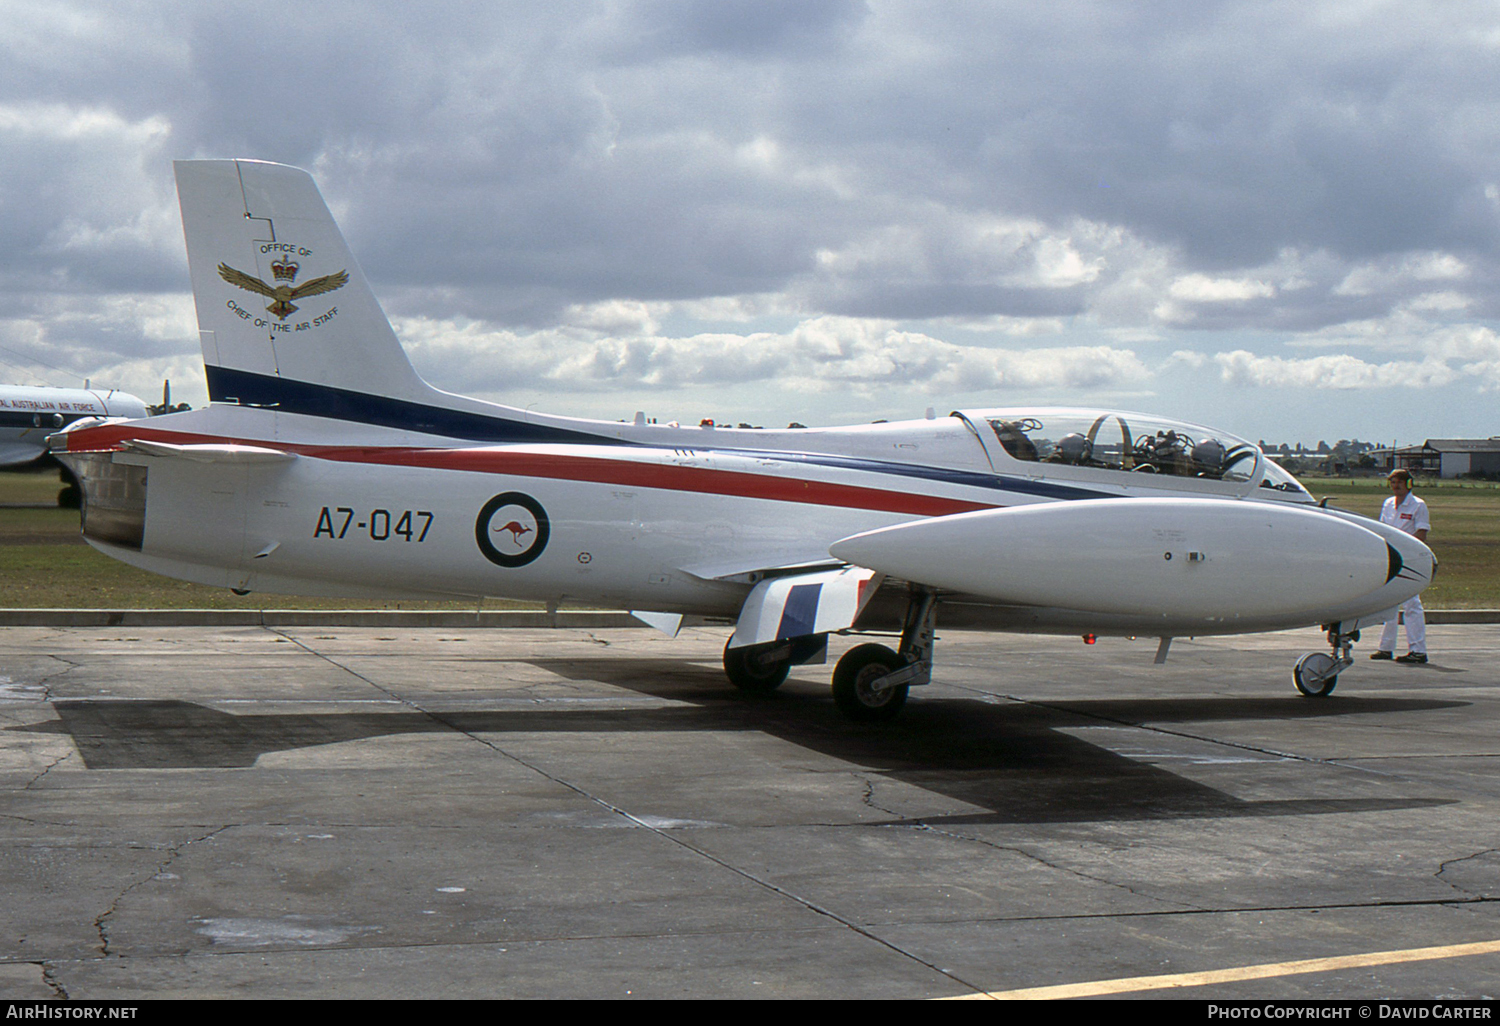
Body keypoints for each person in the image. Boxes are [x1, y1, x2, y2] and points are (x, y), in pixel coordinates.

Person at [1370, 468, 1431, 664]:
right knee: (1390, 602)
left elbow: (1421, 532)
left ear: (1408, 484)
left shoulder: (1418, 505)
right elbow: (1383, 528)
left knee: (1412, 604)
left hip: (1409, 558)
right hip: (1390, 557)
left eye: (1399, 482)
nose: (1396, 486)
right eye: (1393, 483)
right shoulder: (1388, 503)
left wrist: (1408, 550)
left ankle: (1418, 650)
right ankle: (1386, 647)